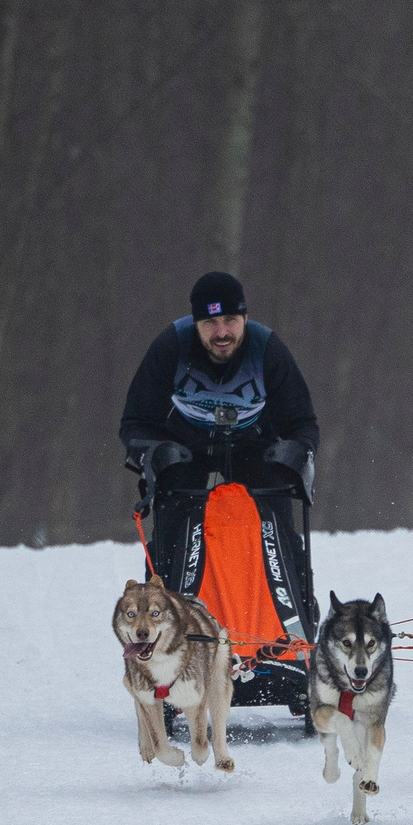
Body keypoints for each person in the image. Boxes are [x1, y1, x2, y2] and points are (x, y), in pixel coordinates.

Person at [120, 270, 319, 634]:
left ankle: (297, 626)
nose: (222, 332)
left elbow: (302, 423)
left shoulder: (267, 349)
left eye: (230, 320)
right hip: (186, 445)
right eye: (210, 323)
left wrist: (294, 455)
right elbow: (135, 422)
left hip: (254, 442)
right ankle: (161, 629)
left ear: (245, 318)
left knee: (277, 529)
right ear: (195, 323)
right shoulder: (171, 346)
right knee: (172, 536)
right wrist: (154, 454)